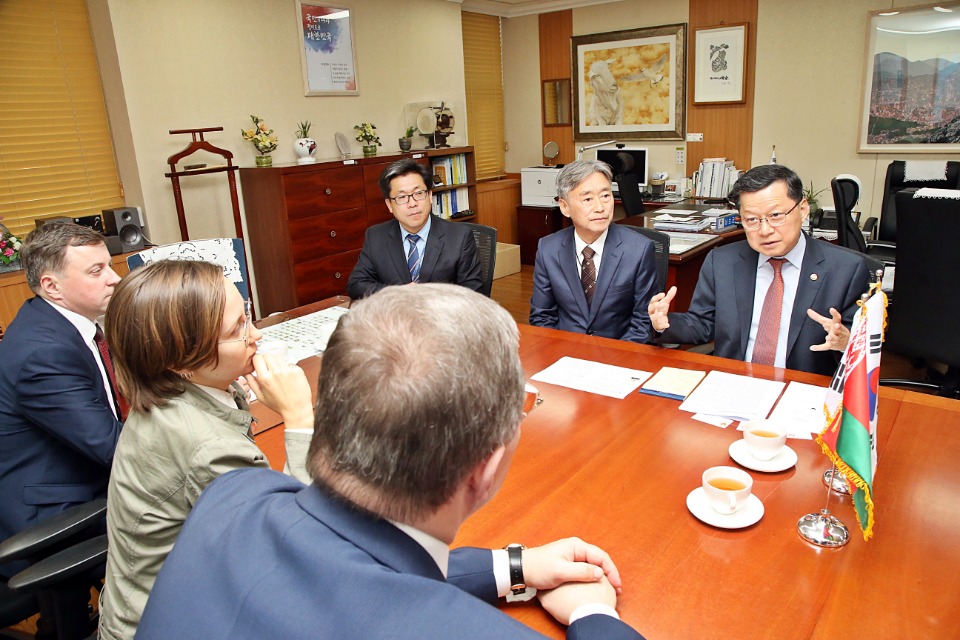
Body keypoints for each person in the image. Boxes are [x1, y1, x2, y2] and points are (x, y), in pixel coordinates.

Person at [137, 284, 645, 639]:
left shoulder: (232, 496)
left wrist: (515, 566)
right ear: (485, 468)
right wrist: (593, 615)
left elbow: (350, 565)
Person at [98, 260, 313, 640]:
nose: (256, 336)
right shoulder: (205, 447)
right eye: (237, 329)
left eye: (247, 315)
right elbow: (289, 547)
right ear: (179, 359)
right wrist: (298, 414)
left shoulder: (181, 393)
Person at [648, 164, 871, 376]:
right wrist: (664, 323)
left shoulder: (845, 269)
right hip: (735, 383)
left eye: (775, 216)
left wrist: (845, 340)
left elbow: (863, 346)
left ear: (803, 209)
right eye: (752, 220)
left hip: (804, 390)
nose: (764, 230)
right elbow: (702, 325)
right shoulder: (722, 261)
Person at [0, 222, 123, 579]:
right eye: (96, 271)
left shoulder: (65, 323)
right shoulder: (44, 352)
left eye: (109, 265)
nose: (114, 279)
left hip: (78, 473)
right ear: (52, 286)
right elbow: (113, 447)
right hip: (52, 512)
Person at [529, 159, 659, 343]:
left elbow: (643, 323)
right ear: (565, 207)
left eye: (605, 196)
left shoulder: (639, 250)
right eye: (588, 199)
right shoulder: (548, 249)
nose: (600, 207)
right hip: (566, 355)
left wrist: (611, 361)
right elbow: (542, 317)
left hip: (619, 356)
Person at [347, 158, 483, 298]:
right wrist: (398, 293)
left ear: (430, 196)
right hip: (396, 316)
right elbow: (356, 284)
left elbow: (474, 295)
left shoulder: (459, 237)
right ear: (389, 205)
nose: (412, 203)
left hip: (440, 317)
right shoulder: (376, 236)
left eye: (418, 194)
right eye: (402, 197)